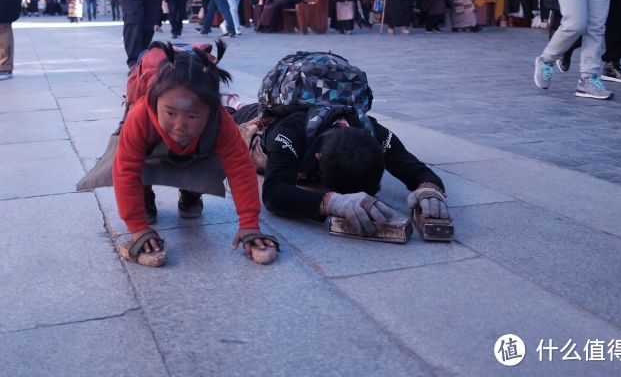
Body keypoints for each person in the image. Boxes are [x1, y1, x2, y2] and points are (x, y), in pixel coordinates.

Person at [112, 42, 278, 267]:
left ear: (212, 109)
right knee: (128, 161)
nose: (180, 125)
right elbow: (125, 170)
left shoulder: (220, 120)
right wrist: (138, 227)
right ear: (155, 100)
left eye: (192, 117)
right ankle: (144, 197)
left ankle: (191, 192)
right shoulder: (140, 115)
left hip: (194, 152)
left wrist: (249, 223)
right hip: (150, 153)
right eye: (170, 112)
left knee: (215, 156)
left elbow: (239, 167)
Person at [232, 93, 449, 239]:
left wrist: (430, 190)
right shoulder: (289, 133)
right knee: (230, 117)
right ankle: (234, 103)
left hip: (319, 117)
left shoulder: (374, 132)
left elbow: (416, 169)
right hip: (260, 128)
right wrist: (330, 201)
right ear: (318, 158)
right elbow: (274, 193)